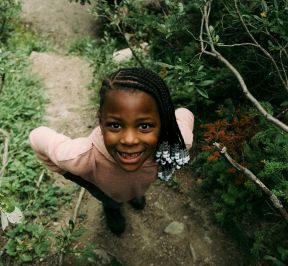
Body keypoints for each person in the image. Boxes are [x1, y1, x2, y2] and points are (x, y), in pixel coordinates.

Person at [29, 67, 194, 235]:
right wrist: (67, 172)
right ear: (101, 120)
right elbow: (37, 137)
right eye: (115, 125)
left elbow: (184, 113)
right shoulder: (81, 157)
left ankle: (134, 195)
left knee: (137, 189)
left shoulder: (176, 141)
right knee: (110, 200)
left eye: (144, 126)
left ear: (164, 121)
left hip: (141, 183)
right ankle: (112, 209)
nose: (129, 140)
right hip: (104, 189)